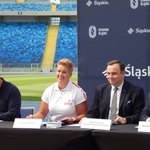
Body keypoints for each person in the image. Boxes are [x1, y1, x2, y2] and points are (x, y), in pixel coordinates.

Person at [27, 58, 87, 124]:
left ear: (70, 75)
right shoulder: (49, 90)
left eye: (64, 72)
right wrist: (33, 118)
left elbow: (84, 115)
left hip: (71, 129)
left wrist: (73, 119)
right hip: (53, 128)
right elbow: (42, 113)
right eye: (59, 71)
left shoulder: (77, 92)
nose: (60, 74)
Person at [85, 60, 145, 124]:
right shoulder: (100, 90)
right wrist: (86, 119)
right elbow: (94, 112)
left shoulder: (136, 91)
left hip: (124, 129)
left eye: (114, 73)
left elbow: (139, 115)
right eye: (108, 73)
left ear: (122, 74)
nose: (110, 77)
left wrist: (125, 120)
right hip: (103, 128)